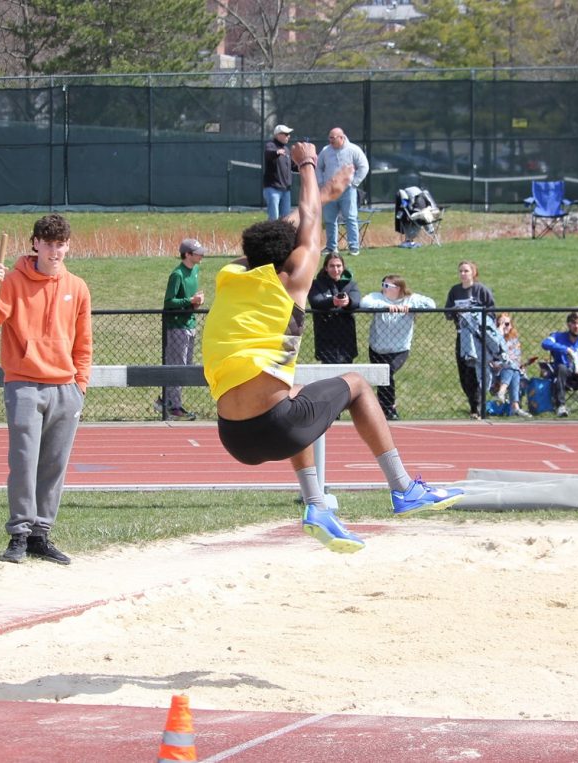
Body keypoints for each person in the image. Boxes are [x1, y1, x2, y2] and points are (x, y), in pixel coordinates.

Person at [201, 142, 462, 556]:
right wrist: (308, 167)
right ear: (291, 258)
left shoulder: (229, 275)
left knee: (294, 398)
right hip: (277, 428)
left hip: (233, 437)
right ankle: (403, 488)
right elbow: (308, 228)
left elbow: (288, 229)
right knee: (356, 384)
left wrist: (322, 196)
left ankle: (317, 507)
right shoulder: (292, 283)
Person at [0, 214, 91, 566]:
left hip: (65, 387)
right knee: (24, 461)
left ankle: (41, 534)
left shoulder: (77, 286)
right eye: (49, 243)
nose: (55, 251)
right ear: (35, 243)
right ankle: (19, 533)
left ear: (68, 245)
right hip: (23, 383)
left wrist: (80, 384)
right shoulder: (11, 281)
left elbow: (84, 343)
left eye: (61, 244)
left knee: (54, 464)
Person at [359, 274, 435, 421]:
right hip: (377, 348)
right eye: (383, 284)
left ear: (399, 288)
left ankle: (389, 407)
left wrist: (410, 308)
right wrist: (387, 307)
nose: (383, 288)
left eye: (388, 286)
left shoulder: (410, 298)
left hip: (400, 348)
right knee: (382, 378)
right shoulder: (377, 297)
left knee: (387, 372)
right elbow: (364, 303)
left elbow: (431, 304)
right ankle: (384, 408)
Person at [156, 238, 205, 420]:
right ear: (187, 255)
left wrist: (197, 301)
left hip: (190, 323)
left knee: (186, 366)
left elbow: (189, 298)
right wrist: (190, 301)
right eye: (198, 252)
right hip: (177, 326)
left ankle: (166, 401)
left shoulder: (196, 270)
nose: (202, 255)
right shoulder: (177, 274)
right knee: (177, 366)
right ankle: (173, 406)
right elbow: (169, 302)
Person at [445, 260, 495, 418]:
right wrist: (455, 311)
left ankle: (477, 407)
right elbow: (447, 313)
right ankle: (473, 403)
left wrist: (477, 315)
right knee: (464, 371)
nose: (463, 274)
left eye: (466, 271)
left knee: (476, 370)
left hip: (478, 336)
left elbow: (492, 311)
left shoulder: (481, 290)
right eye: (460, 271)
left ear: (473, 272)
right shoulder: (455, 291)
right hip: (462, 335)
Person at [317, 127, 369, 256]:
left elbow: (364, 166)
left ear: (341, 137)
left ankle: (354, 247)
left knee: (350, 217)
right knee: (329, 220)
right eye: (329, 138)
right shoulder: (325, 151)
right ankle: (331, 248)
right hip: (330, 191)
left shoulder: (353, 150)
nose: (330, 141)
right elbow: (318, 167)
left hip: (347, 191)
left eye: (333, 138)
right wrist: (322, 183)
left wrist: (354, 183)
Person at [308, 252, 359, 364]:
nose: (335, 269)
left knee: (346, 373)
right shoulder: (316, 284)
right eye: (332, 266)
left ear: (343, 267)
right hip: (325, 334)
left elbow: (356, 301)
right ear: (326, 268)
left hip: (346, 335)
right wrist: (333, 301)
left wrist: (348, 302)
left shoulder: (351, 284)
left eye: (338, 266)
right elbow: (315, 301)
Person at [492, 312, 532, 418]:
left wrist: (524, 364)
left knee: (513, 369)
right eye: (501, 324)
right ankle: (514, 406)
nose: (505, 326)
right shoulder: (492, 340)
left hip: (513, 370)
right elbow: (491, 360)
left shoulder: (514, 340)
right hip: (496, 371)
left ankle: (510, 402)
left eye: (507, 324)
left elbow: (516, 360)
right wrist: (498, 333)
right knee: (510, 367)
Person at [263, 124, 294, 220]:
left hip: (286, 190)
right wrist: (276, 153)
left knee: (286, 220)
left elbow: (293, 166)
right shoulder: (270, 145)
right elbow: (269, 154)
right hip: (273, 189)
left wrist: (305, 164)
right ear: (278, 135)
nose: (288, 136)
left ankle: (282, 236)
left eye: (289, 134)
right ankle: (272, 235)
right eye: (286, 134)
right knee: (274, 219)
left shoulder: (286, 150)